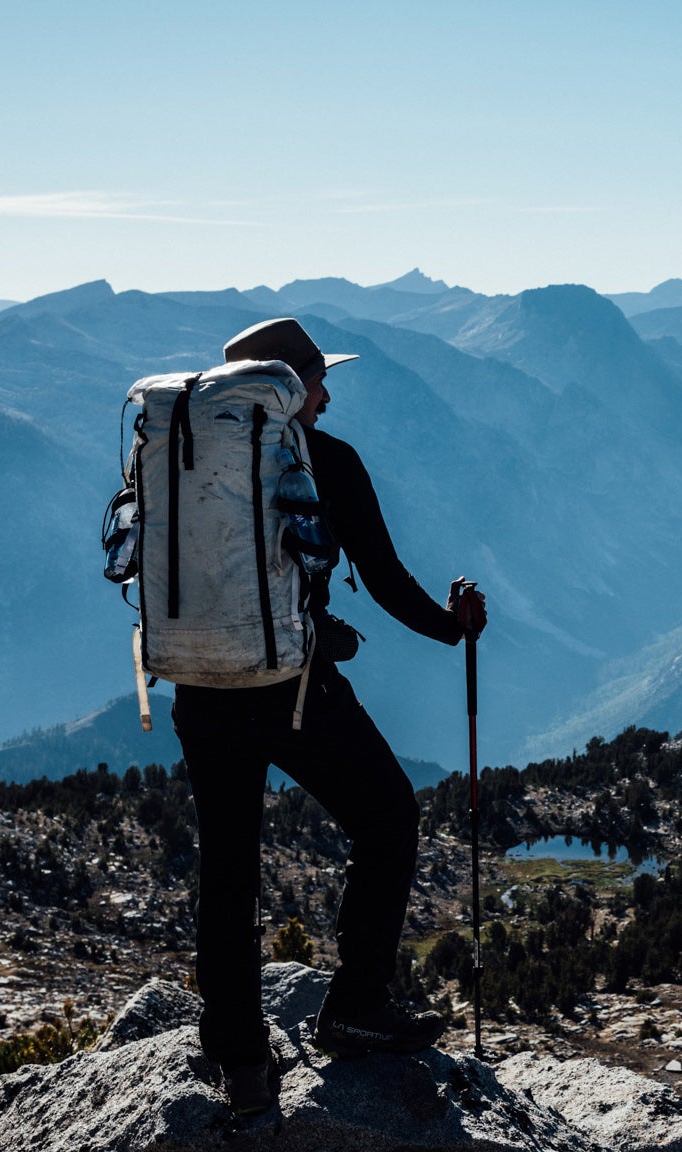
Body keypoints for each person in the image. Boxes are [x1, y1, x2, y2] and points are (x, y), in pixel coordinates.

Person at [172, 317, 486, 1115]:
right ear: (286, 388)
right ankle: (356, 1007)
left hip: (199, 687)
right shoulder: (323, 459)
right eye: (317, 381)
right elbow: (382, 576)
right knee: (387, 816)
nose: (326, 395)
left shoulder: (181, 454)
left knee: (228, 871)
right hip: (291, 689)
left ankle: (241, 1063)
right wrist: (454, 627)